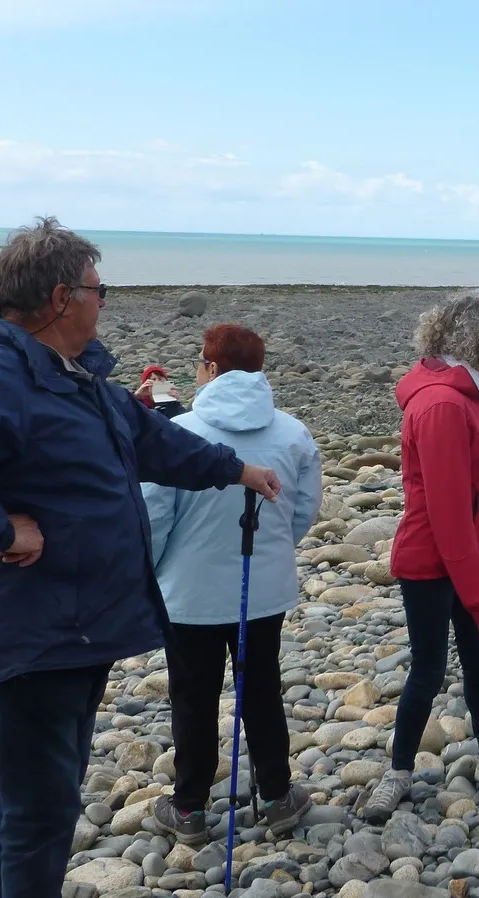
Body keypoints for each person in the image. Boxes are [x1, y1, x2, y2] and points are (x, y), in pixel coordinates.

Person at [0, 217, 282, 898]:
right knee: (41, 807)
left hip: (78, 627)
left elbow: (157, 442)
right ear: (62, 299)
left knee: (44, 797)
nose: (102, 301)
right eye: (97, 290)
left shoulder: (76, 379)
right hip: (34, 629)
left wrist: (237, 470)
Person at [143, 324, 323, 844]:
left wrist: (153, 571)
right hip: (263, 589)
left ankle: (189, 807)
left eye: (199, 362)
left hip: (189, 593)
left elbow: (154, 516)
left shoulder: (178, 434)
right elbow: (303, 508)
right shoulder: (292, 432)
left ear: (211, 369)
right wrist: (273, 550)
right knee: (261, 688)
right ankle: (277, 796)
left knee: (193, 697)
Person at [366, 290, 479, 822]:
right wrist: (478, 595)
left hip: (463, 554)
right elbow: (448, 510)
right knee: (429, 667)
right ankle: (397, 773)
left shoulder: (462, 394)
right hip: (434, 560)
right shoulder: (444, 404)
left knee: (478, 660)